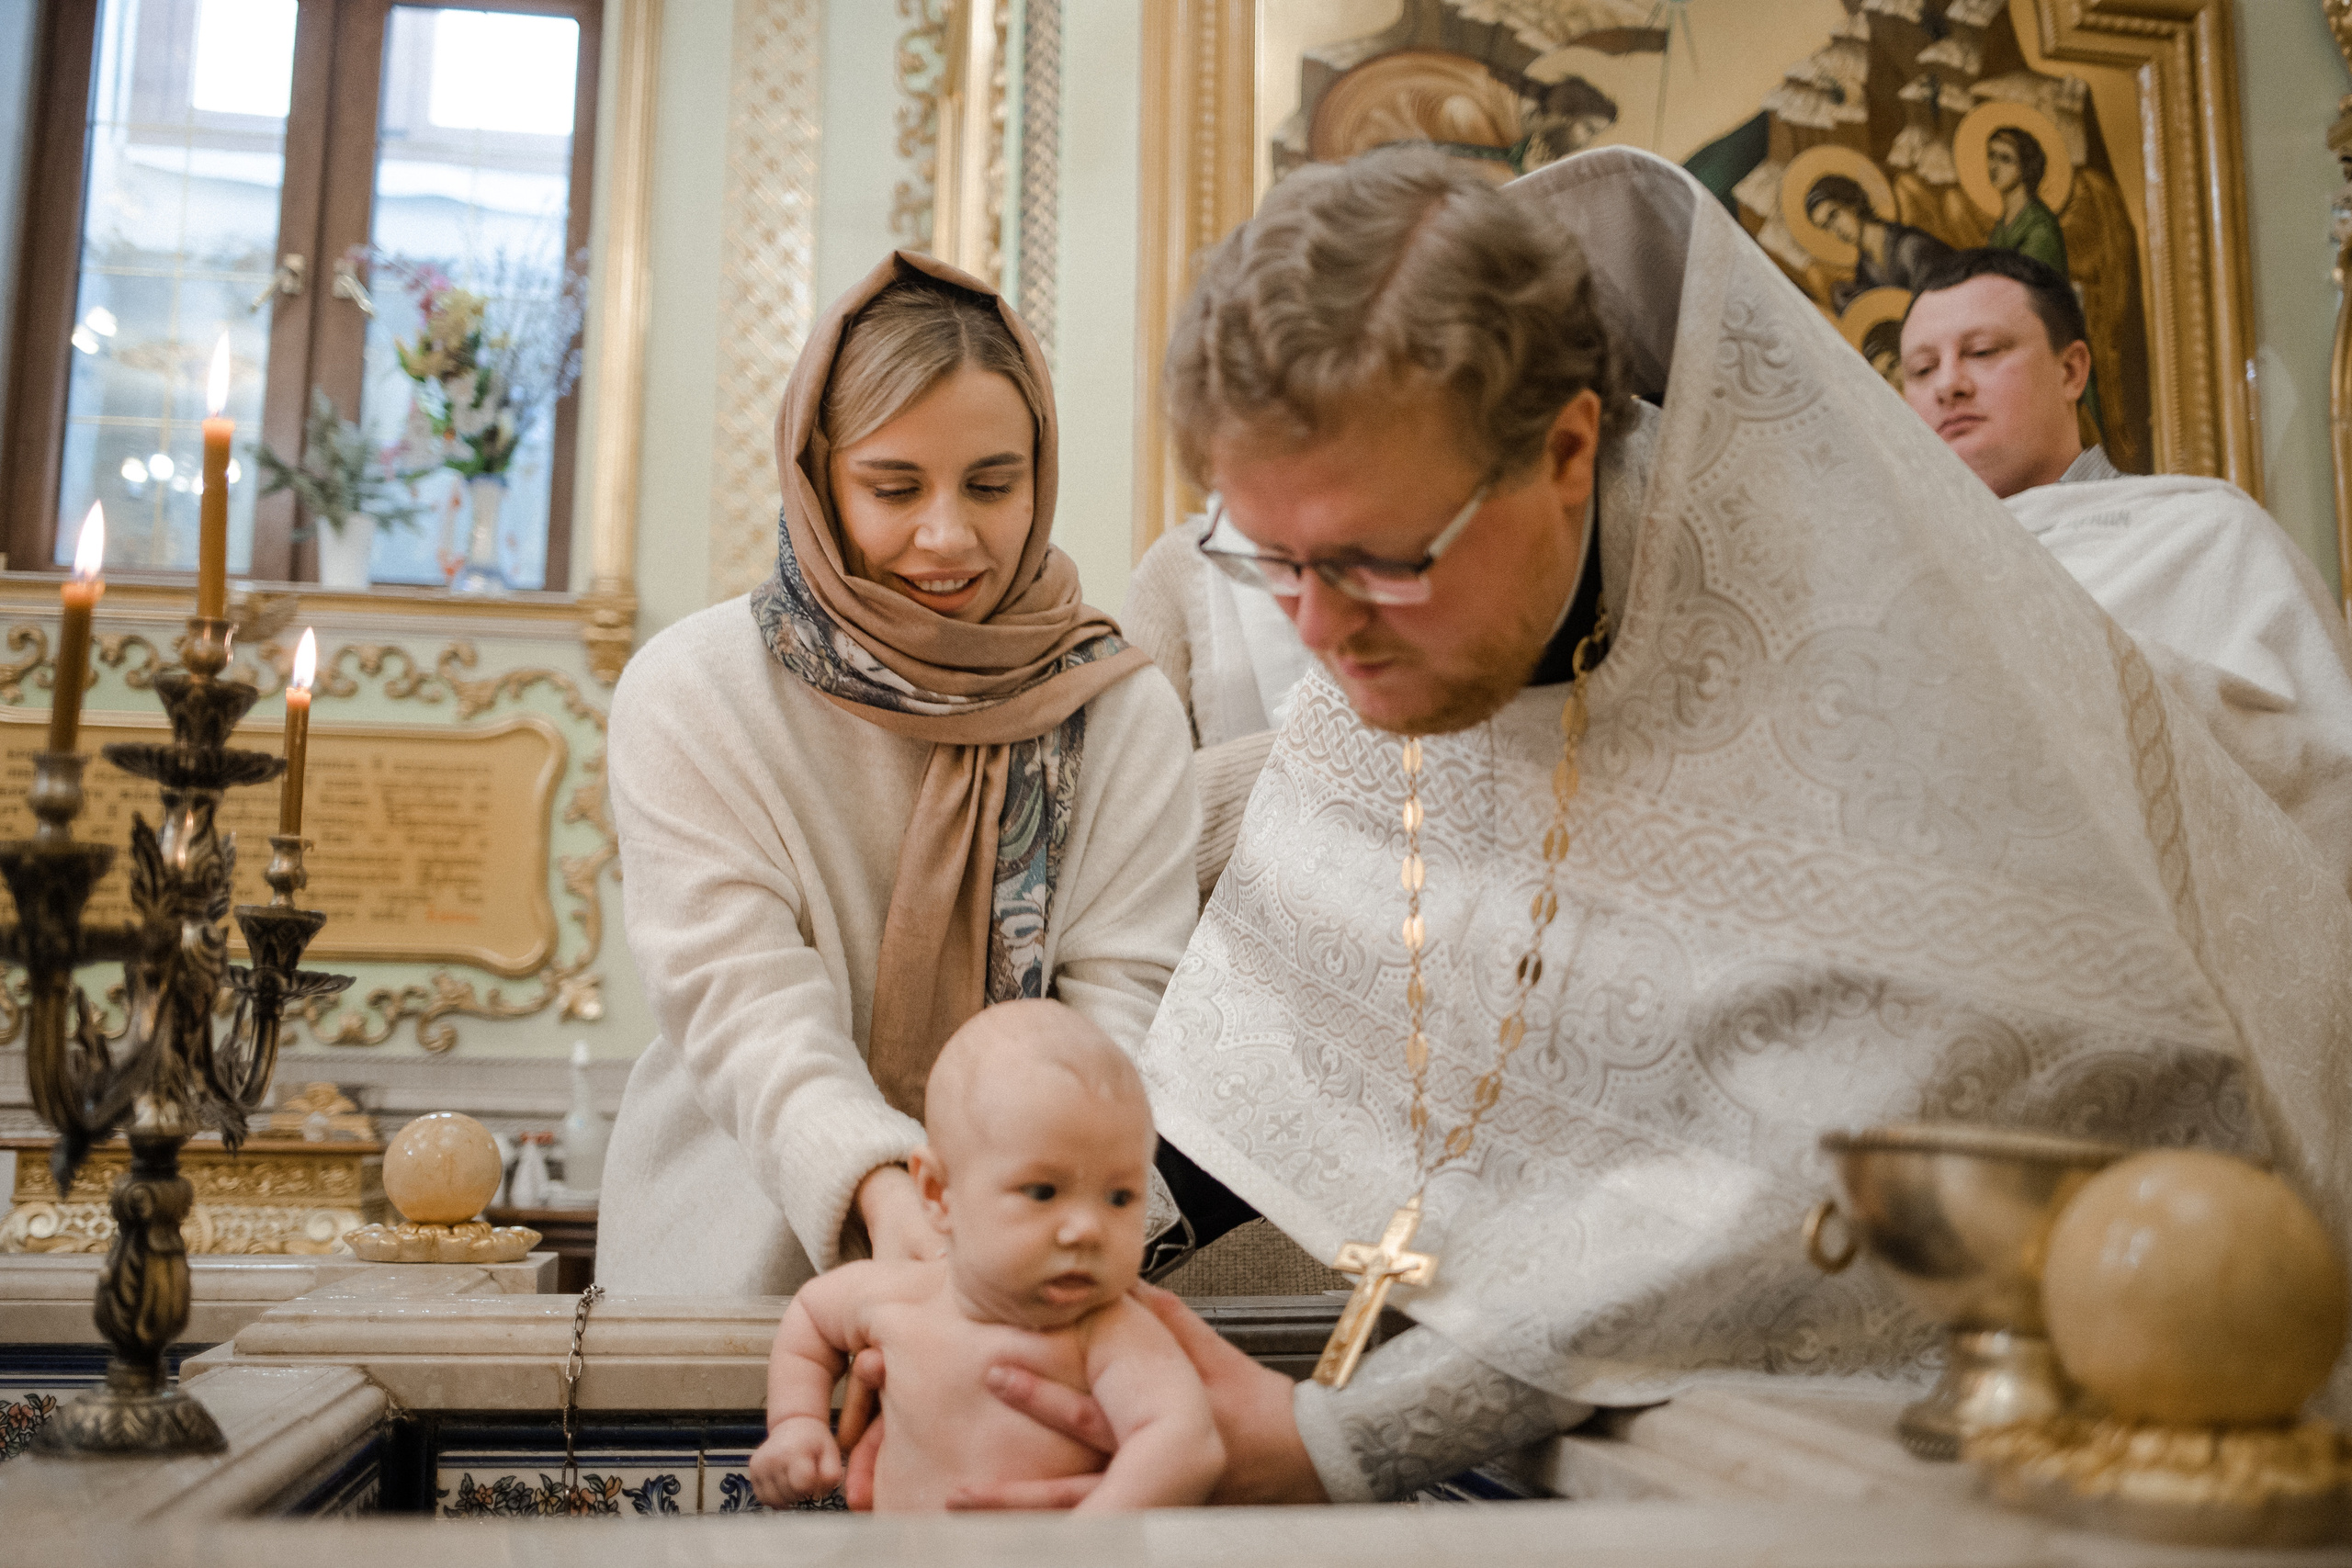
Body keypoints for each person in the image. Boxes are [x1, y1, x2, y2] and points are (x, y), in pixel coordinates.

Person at [949, 145, 2352, 1506]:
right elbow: (1277, 1029)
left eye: (1380, 561)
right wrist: (996, 1282)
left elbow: (1805, 1169)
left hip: (2122, 1382)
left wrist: (1350, 1439)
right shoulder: (1385, 625)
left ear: (1566, 447)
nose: (1323, 632)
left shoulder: (1861, 660)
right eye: (1276, 563)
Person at [595, 255, 1201, 1296]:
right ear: (817, 476)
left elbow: (1122, 1014)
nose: (948, 535)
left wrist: (1025, 1243)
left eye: (992, 484)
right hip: (732, 1276)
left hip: (1037, 1285)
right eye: (893, 486)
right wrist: (883, 1189)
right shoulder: (692, 694)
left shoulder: (1118, 709)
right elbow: (742, 1005)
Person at [1900, 247, 2352, 892]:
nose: (1949, 384)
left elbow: (2332, 779)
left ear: (2071, 369)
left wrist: (2087, 673)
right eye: (1921, 368)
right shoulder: (1893, 572)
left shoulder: (2203, 532)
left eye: (1983, 351)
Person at [750, 1001, 1220, 1513]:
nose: (1087, 1229)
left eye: (1121, 1197)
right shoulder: (898, 1294)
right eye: (1042, 1191)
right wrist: (796, 1423)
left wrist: (1092, 1534)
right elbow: (810, 1319)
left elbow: (1187, 1445)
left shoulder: (1107, 1334)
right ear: (937, 1193)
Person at [1125, 516, 1317, 899]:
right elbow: (1132, 821)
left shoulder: (1406, 551)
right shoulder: (1179, 562)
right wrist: (1340, 761)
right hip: (1223, 925)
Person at [1804, 173, 1953, 312]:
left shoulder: (1910, 246)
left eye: (1834, 215)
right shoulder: (1866, 265)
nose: (1835, 229)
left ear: (1852, 203)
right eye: (1826, 227)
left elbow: (1938, 304)